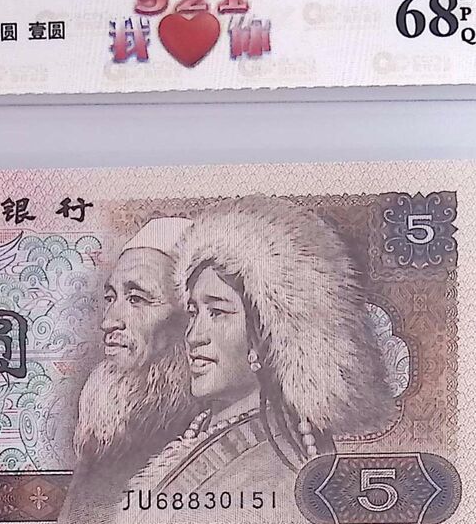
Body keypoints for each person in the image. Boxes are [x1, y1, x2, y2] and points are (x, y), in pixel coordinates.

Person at [131, 197, 395, 500]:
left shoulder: (277, 466)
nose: (193, 336)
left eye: (217, 312)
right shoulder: (207, 431)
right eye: (193, 312)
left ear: (269, 333)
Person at [63, 217, 197, 520]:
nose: (108, 322)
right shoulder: (105, 437)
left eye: (136, 299)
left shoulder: (203, 433)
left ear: (189, 318)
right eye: (111, 298)